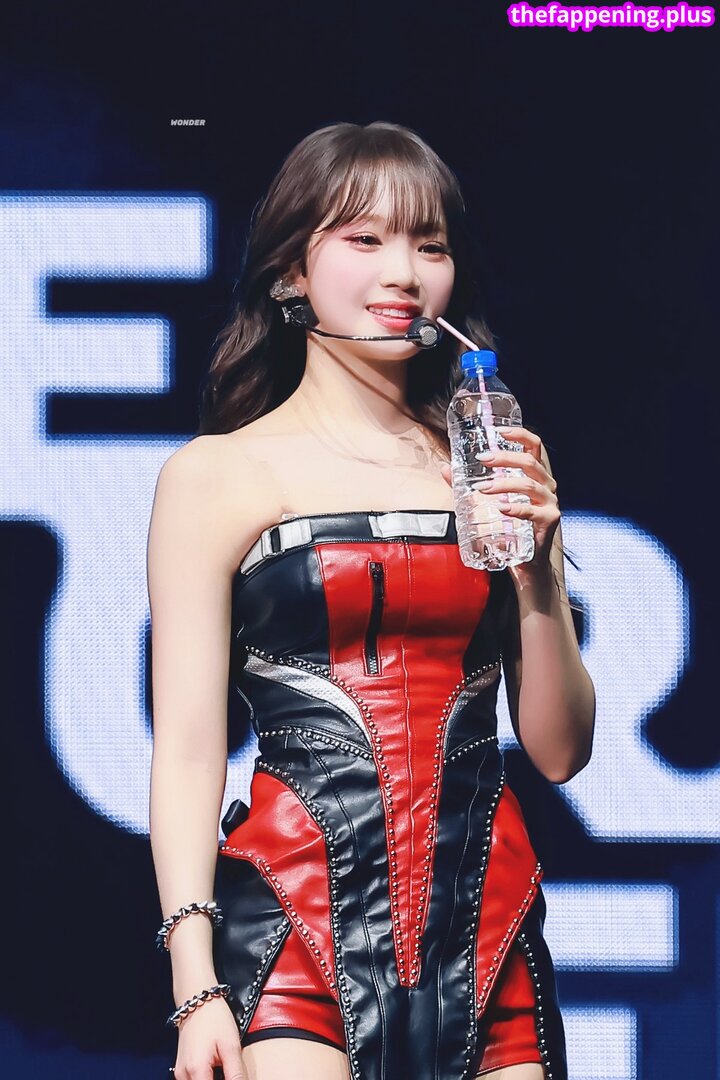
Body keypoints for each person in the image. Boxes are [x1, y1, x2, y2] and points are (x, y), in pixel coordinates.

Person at [147, 121, 596, 1080]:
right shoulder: (215, 475)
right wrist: (196, 986)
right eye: (365, 238)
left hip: (485, 931)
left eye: (430, 245)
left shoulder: (492, 467)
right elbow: (187, 750)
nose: (403, 273)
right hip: (295, 929)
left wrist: (539, 570)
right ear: (291, 273)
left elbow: (560, 752)